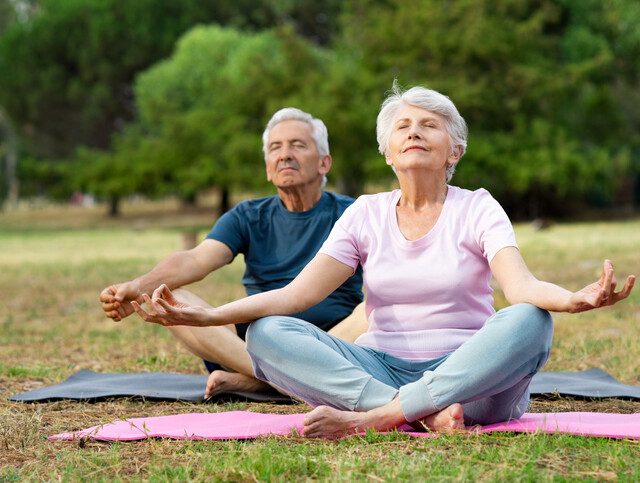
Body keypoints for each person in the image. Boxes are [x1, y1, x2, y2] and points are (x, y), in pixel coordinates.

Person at [132, 85, 635, 438]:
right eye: (403, 126)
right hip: (381, 369)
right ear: (388, 151)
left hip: (471, 379)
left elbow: (520, 288)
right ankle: (411, 412)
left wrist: (573, 299)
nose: (414, 132)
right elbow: (296, 296)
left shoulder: (478, 206)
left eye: (429, 126)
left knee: (529, 321)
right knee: (268, 332)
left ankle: (377, 418)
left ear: (453, 148)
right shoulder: (365, 214)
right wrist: (210, 315)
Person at [100, 107, 365, 397]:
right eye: (275, 147)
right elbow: (196, 259)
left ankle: (262, 382)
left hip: (335, 339)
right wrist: (137, 286)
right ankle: (285, 380)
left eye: (298, 145)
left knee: (374, 310)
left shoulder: (355, 213)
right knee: (168, 297)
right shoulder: (247, 216)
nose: (285, 154)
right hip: (258, 342)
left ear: (324, 163)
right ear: (267, 167)